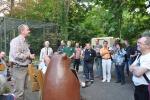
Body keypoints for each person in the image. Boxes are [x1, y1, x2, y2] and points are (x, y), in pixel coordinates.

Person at [9, 24, 35, 99]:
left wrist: (31, 56)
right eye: (27, 29)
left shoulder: (24, 41)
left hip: (25, 68)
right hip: (18, 69)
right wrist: (28, 56)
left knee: (23, 90)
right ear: (22, 31)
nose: (29, 31)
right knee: (18, 93)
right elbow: (16, 55)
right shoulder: (16, 41)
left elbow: (26, 53)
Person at [130, 31, 150, 100]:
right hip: (137, 87)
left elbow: (138, 73)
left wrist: (134, 68)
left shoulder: (149, 57)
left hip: (145, 89)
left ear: (148, 46)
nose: (137, 44)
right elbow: (130, 68)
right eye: (138, 43)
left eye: (140, 43)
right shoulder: (139, 55)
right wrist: (136, 68)